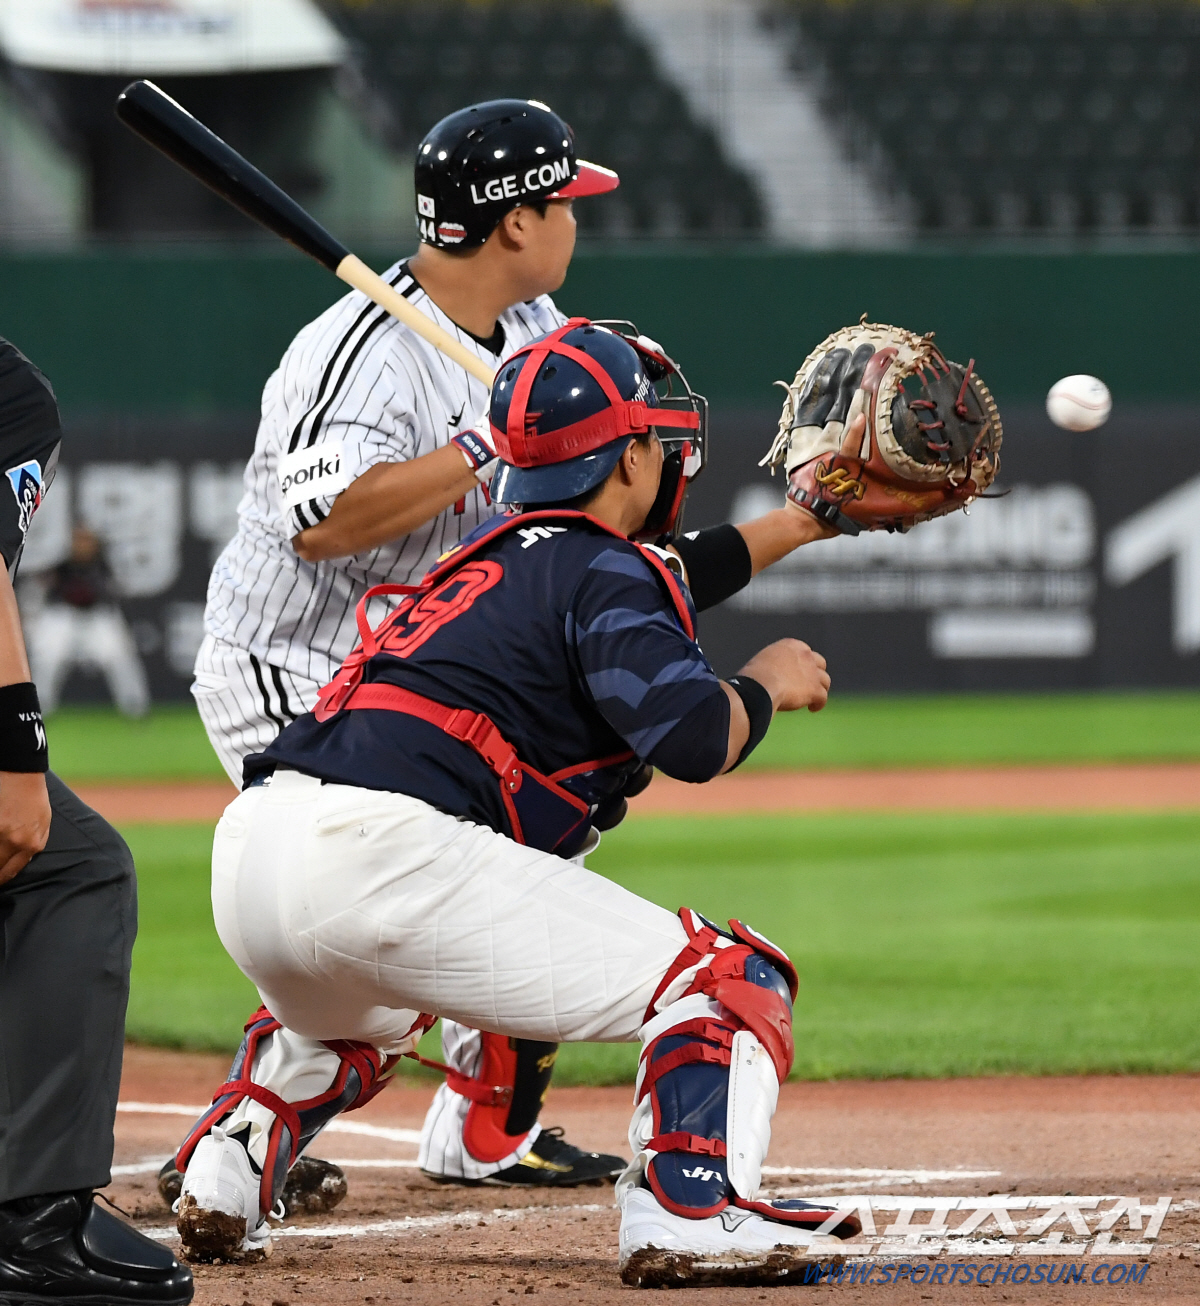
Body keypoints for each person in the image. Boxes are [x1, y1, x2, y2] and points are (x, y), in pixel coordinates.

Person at [164, 97, 833, 1212]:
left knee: (521, 864)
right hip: (301, 670)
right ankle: (288, 1108)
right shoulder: (359, 352)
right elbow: (319, 522)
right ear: (515, 221)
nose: (579, 218)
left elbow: (596, 545)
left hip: (430, 663)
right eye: (565, 200)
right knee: (392, 917)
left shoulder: (536, 333)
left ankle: (442, 1129)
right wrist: (488, 439)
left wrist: (800, 523)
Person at [0, 339, 192, 1305]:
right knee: (73, 866)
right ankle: (31, 1226)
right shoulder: (10, 391)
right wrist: (14, 750)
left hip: (77, 619)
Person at [26, 525, 150, 718]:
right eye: (78, 541)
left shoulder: (103, 566)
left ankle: (135, 708)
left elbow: (113, 593)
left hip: (97, 618)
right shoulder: (61, 566)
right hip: (63, 617)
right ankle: (38, 708)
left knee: (119, 658)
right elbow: (40, 589)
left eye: (87, 541)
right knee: (46, 660)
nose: (82, 546)